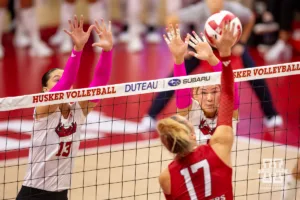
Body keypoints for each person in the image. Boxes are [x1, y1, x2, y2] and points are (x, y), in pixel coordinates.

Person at [139, 0, 283, 131]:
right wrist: (181, 44)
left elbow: (250, 18)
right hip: (203, 46)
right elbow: (171, 19)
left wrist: (242, 43)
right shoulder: (200, 10)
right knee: (176, 78)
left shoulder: (232, 8)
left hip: (229, 45)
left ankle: (271, 114)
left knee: (254, 75)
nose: (215, 2)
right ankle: (151, 116)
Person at [16, 15, 113, 199]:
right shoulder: (44, 108)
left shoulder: (78, 111)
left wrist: (108, 51)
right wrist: (77, 49)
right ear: (45, 90)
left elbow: (100, 84)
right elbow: (68, 78)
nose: (64, 82)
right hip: (34, 194)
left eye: (64, 79)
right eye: (56, 79)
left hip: (61, 193)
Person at [158, 21, 236, 199]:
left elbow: (228, 92)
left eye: (214, 91)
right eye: (203, 92)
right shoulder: (221, 138)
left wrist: (211, 58)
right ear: (195, 95)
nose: (209, 97)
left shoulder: (166, 177)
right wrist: (222, 55)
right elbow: (229, 91)